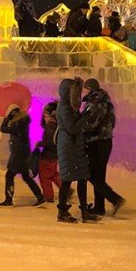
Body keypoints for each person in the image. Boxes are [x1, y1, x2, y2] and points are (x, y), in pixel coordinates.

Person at [55, 77, 99, 223]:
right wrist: (85, 116)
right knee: (67, 179)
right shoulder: (64, 107)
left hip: (75, 145)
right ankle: (62, 211)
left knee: (82, 178)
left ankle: (84, 210)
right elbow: (72, 128)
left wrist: (84, 114)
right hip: (68, 146)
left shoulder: (70, 106)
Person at [83, 78, 125, 216]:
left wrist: (81, 130)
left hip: (96, 142)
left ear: (90, 89)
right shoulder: (107, 102)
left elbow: (90, 123)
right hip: (106, 141)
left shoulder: (95, 103)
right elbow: (112, 122)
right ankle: (99, 207)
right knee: (98, 175)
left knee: (91, 174)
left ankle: (114, 199)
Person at [0, 104, 45, 206]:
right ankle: (40, 197)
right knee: (26, 177)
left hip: (18, 154)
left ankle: (9, 199)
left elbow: (3, 129)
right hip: (23, 152)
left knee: (9, 175)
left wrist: (6, 119)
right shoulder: (23, 121)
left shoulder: (19, 123)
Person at [36, 102, 61, 202]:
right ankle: (66, 190)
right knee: (53, 173)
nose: (44, 115)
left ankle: (48, 196)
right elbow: (43, 125)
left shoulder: (51, 125)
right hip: (55, 154)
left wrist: (40, 144)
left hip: (48, 154)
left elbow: (50, 141)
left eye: (45, 113)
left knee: (44, 176)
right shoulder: (56, 123)